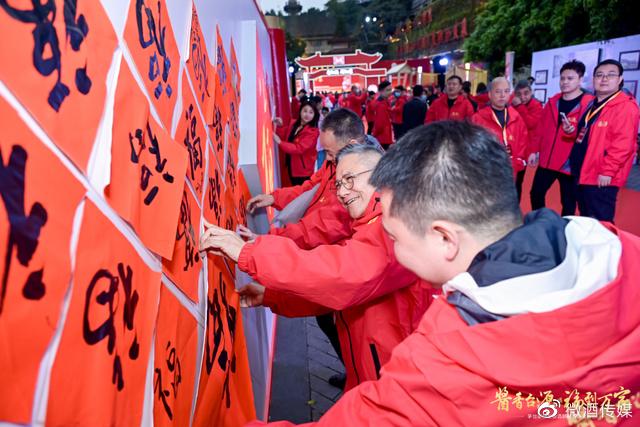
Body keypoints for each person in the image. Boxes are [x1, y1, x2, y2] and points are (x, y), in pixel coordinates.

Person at [246, 121, 640, 426]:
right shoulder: (619, 250)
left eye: (395, 235)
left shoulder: (451, 357)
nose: (392, 246)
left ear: (444, 238)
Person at [200, 144, 435, 392]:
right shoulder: (368, 225)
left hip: (395, 383)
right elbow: (339, 295)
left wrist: (250, 252)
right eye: (339, 184)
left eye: (350, 180)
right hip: (372, 373)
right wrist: (272, 296)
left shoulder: (395, 227)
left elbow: (343, 275)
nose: (343, 192)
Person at [247, 109, 371, 387]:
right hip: (330, 259)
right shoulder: (338, 162)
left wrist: (268, 242)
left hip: (338, 260)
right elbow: (309, 190)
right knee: (330, 322)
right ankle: (354, 375)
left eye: (328, 152)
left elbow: (326, 225)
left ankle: (359, 380)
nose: (325, 158)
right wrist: (273, 197)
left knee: (345, 328)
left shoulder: (357, 178)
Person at [568, 59, 640, 222]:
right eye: (599, 75)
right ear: (593, 80)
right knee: (586, 218)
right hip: (583, 171)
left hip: (601, 176)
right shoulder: (592, 103)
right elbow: (589, 134)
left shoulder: (625, 107)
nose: (604, 79)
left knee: (602, 222)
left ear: (620, 79)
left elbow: (624, 144)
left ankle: (606, 248)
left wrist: (608, 171)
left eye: (611, 75)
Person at [529, 60, 594, 215]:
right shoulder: (553, 102)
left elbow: (590, 135)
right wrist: (533, 151)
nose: (565, 82)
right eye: (562, 78)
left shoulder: (589, 104)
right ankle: (541, 222)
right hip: (547, 160)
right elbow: (540, 129)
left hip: (569, 163)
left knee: (568, 202)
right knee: (536, 193)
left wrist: (574, 131)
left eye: (570, 78)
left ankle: (566, 232)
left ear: (580, 79)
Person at [471, 77, 529, 200]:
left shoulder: (516, 117)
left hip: (511, 170)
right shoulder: (478, 118)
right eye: (498, 92)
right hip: (487, 172)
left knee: (509, 204)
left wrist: (519, 161)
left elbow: (523, 141)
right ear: (490, 94)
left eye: (506, 91)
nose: (502, 95)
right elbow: (472, 146)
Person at [274, 103, 320, 186]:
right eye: (305, 111)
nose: (307, 114)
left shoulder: (313, 132)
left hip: (302, 170)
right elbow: (286, 136)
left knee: (301, 194)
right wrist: (280, 126)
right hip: (290, 164)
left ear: (314, 115)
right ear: (300, 112)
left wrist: (280, 142)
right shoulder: (294, 124)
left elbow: (299, 148)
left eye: (311, 112)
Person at [372, 81, 394, 150]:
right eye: (387, 90)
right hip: (382, 138)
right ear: (381, 91)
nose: (390, 92)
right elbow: (380, 124)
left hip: (384, 136)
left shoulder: (385, 102)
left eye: (390, 89)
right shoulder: (381, 105)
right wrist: (374, 135)